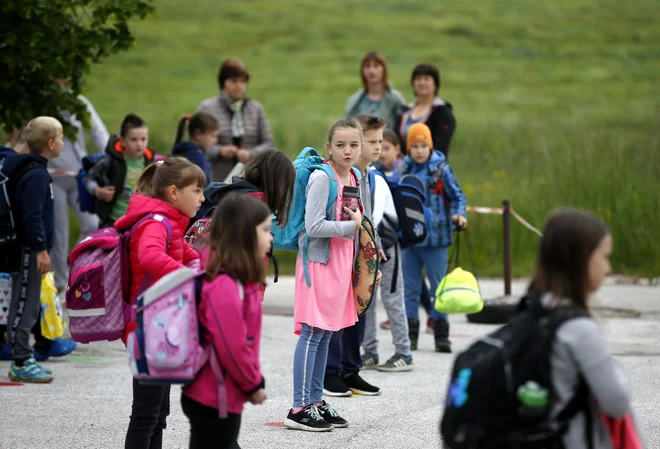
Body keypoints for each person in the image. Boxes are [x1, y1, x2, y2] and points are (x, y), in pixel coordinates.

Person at [113, 157, 206, 449]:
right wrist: (186, 278)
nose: (203, 198)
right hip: (146, 327)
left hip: (159, 325)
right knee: (145, 415)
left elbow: (187, 255)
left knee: (158, 414)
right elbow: (150, 256)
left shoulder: (171, 224)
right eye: (197, 190)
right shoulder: (156, 222)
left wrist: (203, 270)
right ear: (174, 193)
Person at [530, 209, 638, 449]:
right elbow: (617, 402)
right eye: (604, 256)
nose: (608, 268)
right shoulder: (578, 329)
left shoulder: (531, 313)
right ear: (580, 259)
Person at [284, 118, 363, 432]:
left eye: (353, 145)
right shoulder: (322, 177)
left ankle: (316, 401)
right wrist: (350, 227)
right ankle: (298, 406)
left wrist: (367, 266)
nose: (347, 151)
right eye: (341, 145)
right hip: (317, 264)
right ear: (329, 147)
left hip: (341, 264)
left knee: (327, 333)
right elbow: (314, 225)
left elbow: (360, 222)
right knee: (312, 332)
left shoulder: (354, 175)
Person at [182, 193, 270, 449]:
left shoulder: (239, 280)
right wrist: (253, 384)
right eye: (265, 230)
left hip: (220, 393)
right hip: (213, 396)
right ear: (243, 234)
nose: (271, 237)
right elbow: (232, 345)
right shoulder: (224, 285)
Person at [0, 129, 76, 361]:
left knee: (26, 303)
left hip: (29, 248)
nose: (63, 143)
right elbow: (33, 216)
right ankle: (21, 359)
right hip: (29, 250)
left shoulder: (34, 170)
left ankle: (21, 355)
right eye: (61, 138)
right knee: (25, 303)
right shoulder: (37, 175)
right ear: (50, 143)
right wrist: (41, 249)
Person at [323, 115, 385, 396]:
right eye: (371, 141)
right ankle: (331, 371)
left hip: (360, 254)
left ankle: (351, 369)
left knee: (359, 311)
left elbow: (368, 219)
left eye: (376, 142)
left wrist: (374, 255)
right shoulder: (327, 176)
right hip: (335, 254)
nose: (376, 147)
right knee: (338, 314)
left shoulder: (363, 176)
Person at [400, 123, 467, 353]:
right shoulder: (403, 170)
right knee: (409, 288)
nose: (419, 150)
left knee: (438, 288)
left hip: (437, 239)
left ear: (430, 146)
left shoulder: (441, 170)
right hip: (409, 240)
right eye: (414, 146)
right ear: (409, 149)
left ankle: (441, 336)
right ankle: (411, 336)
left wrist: (459, 214)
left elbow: (457, 195)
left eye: (423, 145)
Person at [362, 127, 414, 372]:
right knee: (368, 300)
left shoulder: (377, 180)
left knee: (392, 299)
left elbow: (374, 217)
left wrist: (375, 244)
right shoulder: (358, 176)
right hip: (367, 247)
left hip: (387, 247)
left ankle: (404, 352)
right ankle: (370, 351)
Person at [374, 130, 434, 335]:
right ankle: (418, 314)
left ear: (398, 149)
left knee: (411, 281)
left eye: (387, 148)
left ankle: (428, 313)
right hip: (393, 231)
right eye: (379, 148)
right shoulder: (378, 169)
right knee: (410, 280)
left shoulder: (403, 170)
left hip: (406, 229)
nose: (382, 153)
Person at [49, 90, 109, 292]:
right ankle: (59, 285)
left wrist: (112, 156)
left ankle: (73, 268)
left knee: (92, 224)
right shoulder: (40, 102)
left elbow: (98, 131)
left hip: (79, 175)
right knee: (59, 233)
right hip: (52, 176)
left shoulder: (78, 102)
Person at [197, 58, 274, 182]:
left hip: (250, 179)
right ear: (223, 83)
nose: (239, 86)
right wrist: (220, 151)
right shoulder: (207, 108)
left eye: (242, 81)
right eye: (233, 81)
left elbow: (269, 144)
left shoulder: (256, 109)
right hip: (215, 179)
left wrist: (250, 153)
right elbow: (197, 143)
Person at [83, 114, 154, 229]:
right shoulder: (111, 161)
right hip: (113, 221)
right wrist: (98, 191)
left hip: (140, 221)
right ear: (123, 141)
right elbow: (88, 178)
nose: (139, 144)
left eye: (143, 139)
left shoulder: (150, 162)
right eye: (133, 139)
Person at [397, 63, 456, 158]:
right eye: (418, 79)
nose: (421, 82)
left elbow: (441, 146)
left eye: (426, 79)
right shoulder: (405, 112)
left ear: (435, 84)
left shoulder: (443, 113)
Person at [345, 51, 407, 130]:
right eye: (367, 66)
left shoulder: (395, 99)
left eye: (376, 66)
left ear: (384, 70)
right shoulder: (354, 102)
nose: (371, 71)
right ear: (362, 71)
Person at [171, 112, 219, 184]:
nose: (215, 141)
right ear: (198, 134)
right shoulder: (197, 158)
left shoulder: (181, 150)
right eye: (212, 136)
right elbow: (202, 185)